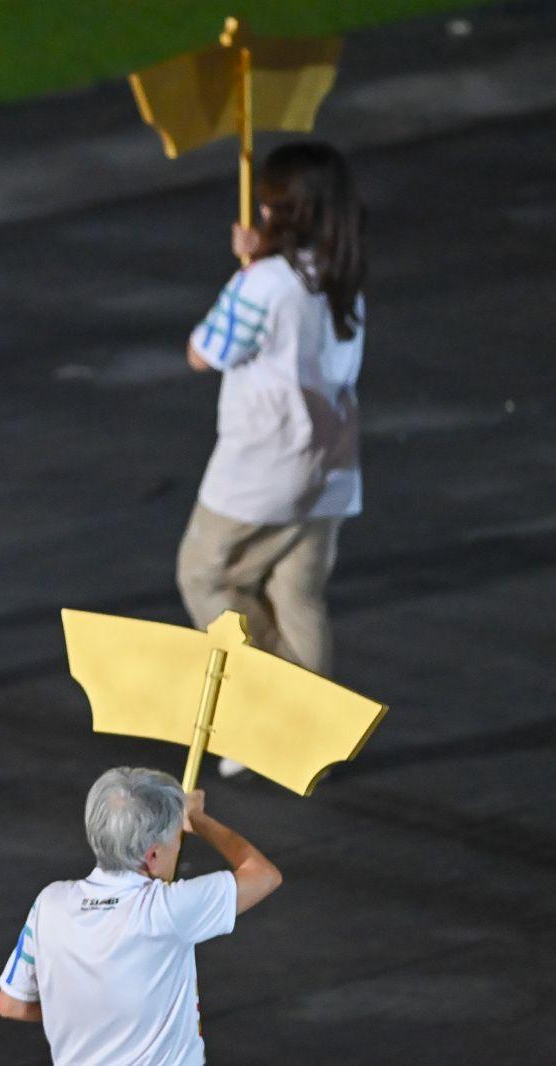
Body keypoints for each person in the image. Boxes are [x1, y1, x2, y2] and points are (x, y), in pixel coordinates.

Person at [176, 141, 366, 776]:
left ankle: (261, 715)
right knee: (298, 594)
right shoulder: (341, 271)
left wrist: (245, 269)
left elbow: (203, 351)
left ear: (280, 208)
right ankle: (310, 737)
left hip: (266, 468)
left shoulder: (266, 283)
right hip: (333, 460)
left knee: (202, 573)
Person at [0, 768, 282, 1065]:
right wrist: (198, 820)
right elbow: (264, 875)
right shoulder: (166, 909)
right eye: (176, 840)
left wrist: (97, 1017)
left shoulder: (50, 904)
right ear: (153, 857)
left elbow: (13, 1004)